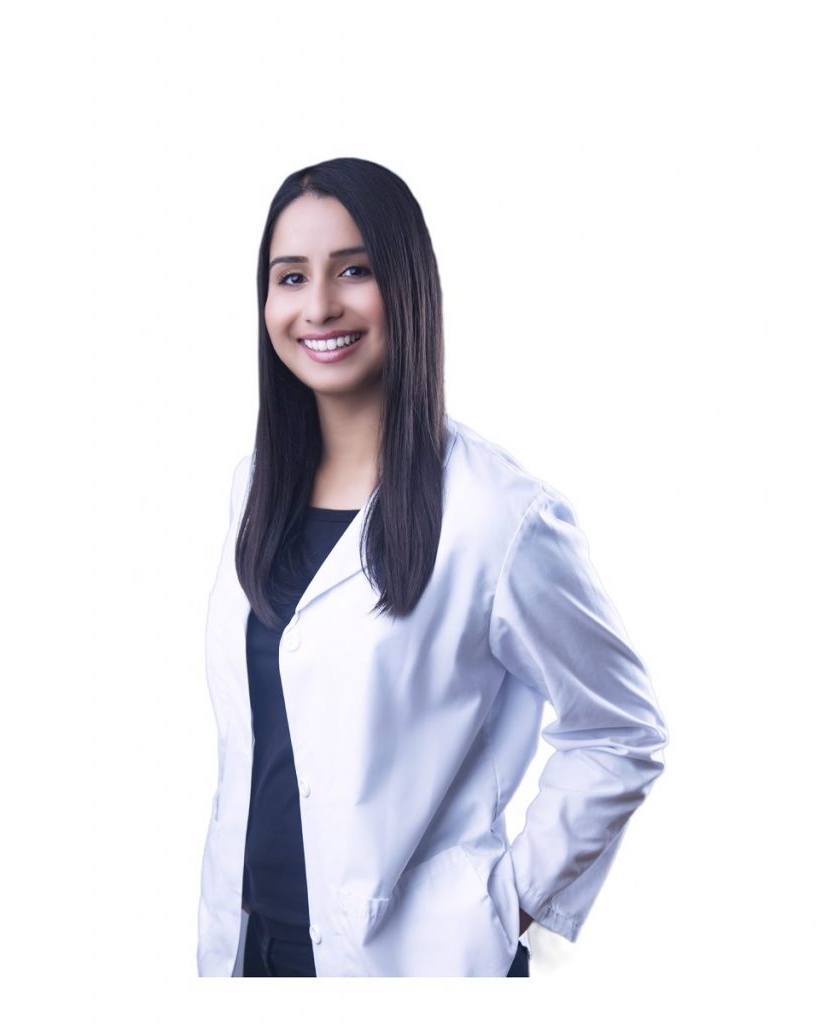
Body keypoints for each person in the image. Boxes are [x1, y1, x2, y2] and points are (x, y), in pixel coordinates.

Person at [196, 157, 668, 978]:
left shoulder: (498, 514)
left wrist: (509, 902)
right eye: (290, 277)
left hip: (419, 965)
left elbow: (619, 730)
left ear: (408, 285)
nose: (318, 306)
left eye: (354, 271)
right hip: (251, 948)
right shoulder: (254, 488)